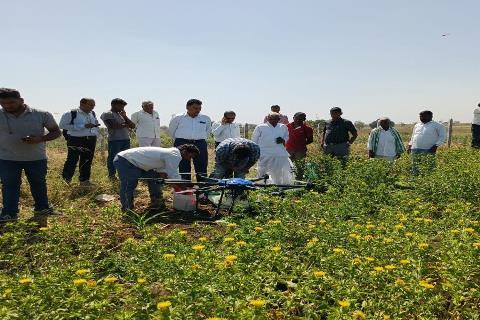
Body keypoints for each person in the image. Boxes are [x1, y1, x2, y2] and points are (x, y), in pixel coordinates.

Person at [0, 88, 62, 221]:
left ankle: (42, 208)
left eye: (11, 102)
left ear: (21, 100)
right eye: (3, 103)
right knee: (9, 185)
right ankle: (9, 213)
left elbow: (56, 132)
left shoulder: (41, 114)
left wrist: (40, 139)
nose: (7, 106)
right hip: (7, 159)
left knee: (38, 183)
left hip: (36, 158)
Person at [113, 144, 199, 212]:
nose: (190, 159)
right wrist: (184, 188)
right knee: (129, 184)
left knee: (155, 178)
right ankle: (127, 209)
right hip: (125, 160)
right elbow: (173, 174)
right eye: (191, 156)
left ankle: (157, 202)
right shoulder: (175, 155)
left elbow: (162, 174)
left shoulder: (171, 153)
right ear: (185, 151)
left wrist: (177, 186)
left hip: (132, 161)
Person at [59, 98, 100, 185]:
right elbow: (62, 125)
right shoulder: (71, 113)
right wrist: (83, 126)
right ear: (82, 103)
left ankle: (84, 181)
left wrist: (96, 128)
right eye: (91, 105)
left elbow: (94, 124)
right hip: (76, 139)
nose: (93, 107)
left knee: (87, 160)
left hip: (91, 139)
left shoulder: (92, 113)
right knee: (72, 160)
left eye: (94, 105)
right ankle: (66, 180)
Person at [168, 99, 211, 180]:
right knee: (183, 165)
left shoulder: (205, 118)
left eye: (199, 108)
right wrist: (181, 141)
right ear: (187, 107)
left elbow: (207, 131)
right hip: (182, 143)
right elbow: (171, 132)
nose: (197, 110)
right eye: (195, 108)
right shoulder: (178, 118)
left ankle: (202, 187)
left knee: (201, 165)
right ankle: (186, 187)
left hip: (200, 143)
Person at [252, 112, 294, 184]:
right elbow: (254, 140)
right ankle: (261, 184)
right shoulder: (260, 127)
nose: (273, 120)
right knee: (262, 170)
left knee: (279, 171)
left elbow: (287, 137)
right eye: (271, 119)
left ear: (279, 119)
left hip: (279, 152)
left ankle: (278, 185)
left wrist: (283, 140)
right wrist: (256, 151)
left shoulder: (283, 127)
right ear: (268, 118)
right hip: (264, 152)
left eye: (275, 119)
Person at [100, 98, 135, 180]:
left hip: (125, 139)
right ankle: (112, 175)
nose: (122, 108)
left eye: (123, 106)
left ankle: (123, 175)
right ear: (113, 105)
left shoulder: (121, 114)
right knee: (113, 158)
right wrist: (126, 125)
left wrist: (125, 117)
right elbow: (113, 126)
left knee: (125, 158)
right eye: (120, 106)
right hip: (115, 140)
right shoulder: (107, 113)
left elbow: (133, 126)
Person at [407, 110, 446, 175]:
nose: (421, 117)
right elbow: (413, 136)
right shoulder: (417, 125)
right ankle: (415, 180)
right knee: (415, 166)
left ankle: (428, 181)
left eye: (423, 116)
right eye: (420, 116)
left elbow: (442, 137)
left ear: (430, 116)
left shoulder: (438, 125)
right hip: (415, 148)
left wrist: (436, 146)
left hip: (429, 149)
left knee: (429, 166)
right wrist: (410, 145)